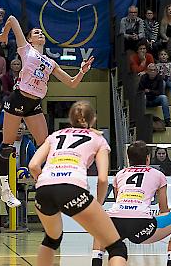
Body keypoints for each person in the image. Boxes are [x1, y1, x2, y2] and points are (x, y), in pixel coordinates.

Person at [0, 15, 94, 207]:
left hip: (34, 104)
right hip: (18, 98)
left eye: (41, 32)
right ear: (30, 38)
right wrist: (5, 35)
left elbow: (72, 84)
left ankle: (50, 184)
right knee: (7, 145)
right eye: (35, 32)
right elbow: (13, 19)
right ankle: (6, 190)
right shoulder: (26, 50)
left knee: (46, 145)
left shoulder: (50, 62)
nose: (39, 33)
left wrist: (82, 71)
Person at [29, 101, 127, 266]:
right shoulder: (99, 139)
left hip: (43, 189)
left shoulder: (55, 135)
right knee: (116, 247)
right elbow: (103, 178)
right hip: (72, 188)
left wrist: (45, 182)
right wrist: (98, 204)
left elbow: (33, 165)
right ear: (93, 119)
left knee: (52, 239)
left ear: (70, 119)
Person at [91, 141, 171, 266]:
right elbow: (163, 209)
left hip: (115, 222)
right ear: (148, 158)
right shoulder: (158, 175)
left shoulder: (120, 174)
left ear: (128, 159)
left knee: (103, 224)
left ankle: (96, 261)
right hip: (141, 226)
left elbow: (118, 201)